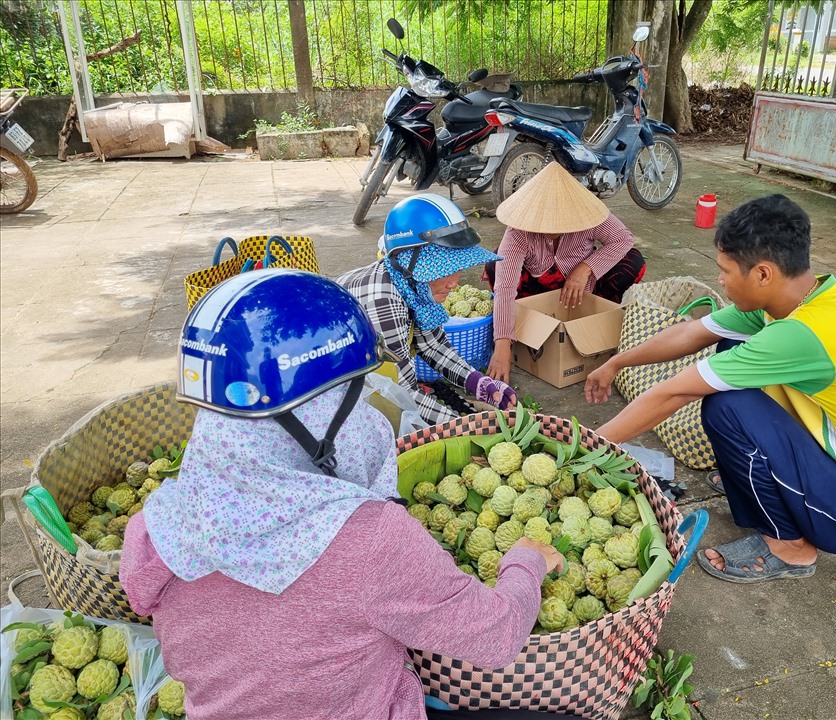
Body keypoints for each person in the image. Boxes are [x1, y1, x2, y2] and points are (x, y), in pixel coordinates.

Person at [120, 269, 565, 720]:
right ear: (320, 414)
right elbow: (497, 637)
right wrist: (526, 562)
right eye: (355, 392)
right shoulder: (372, 542)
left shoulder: (157, 527)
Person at [584, 194, 836, 583]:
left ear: (762, 274)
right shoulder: (806, 297)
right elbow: (693, 332)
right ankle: (760, 478)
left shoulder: (802, 334)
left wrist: (588, 447)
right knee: (729, 349)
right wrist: (617, 361)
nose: (720, 280)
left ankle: (791, 548)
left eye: (724, 271)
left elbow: (676, 392)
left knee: (727, 405)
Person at [337, 193, 517, 425]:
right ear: (408, 264)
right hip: (331, 390)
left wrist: (478, 383)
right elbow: (402, 395)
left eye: (457, 268)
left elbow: (432, 345)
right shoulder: (382, 302)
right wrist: (467, 427)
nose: (453, 282)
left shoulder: (410, 284)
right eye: (441, 271)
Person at [483, 162, 646, 384]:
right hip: (537, 288)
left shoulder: (589, 216)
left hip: (582, 287)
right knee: (495, 263)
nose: (551, 228)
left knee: (633, 261)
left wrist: (585, 268)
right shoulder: (518, 233)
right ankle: (528, 319)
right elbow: (505, 287)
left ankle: (598, 313)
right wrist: (502, 343)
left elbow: (622, 238)